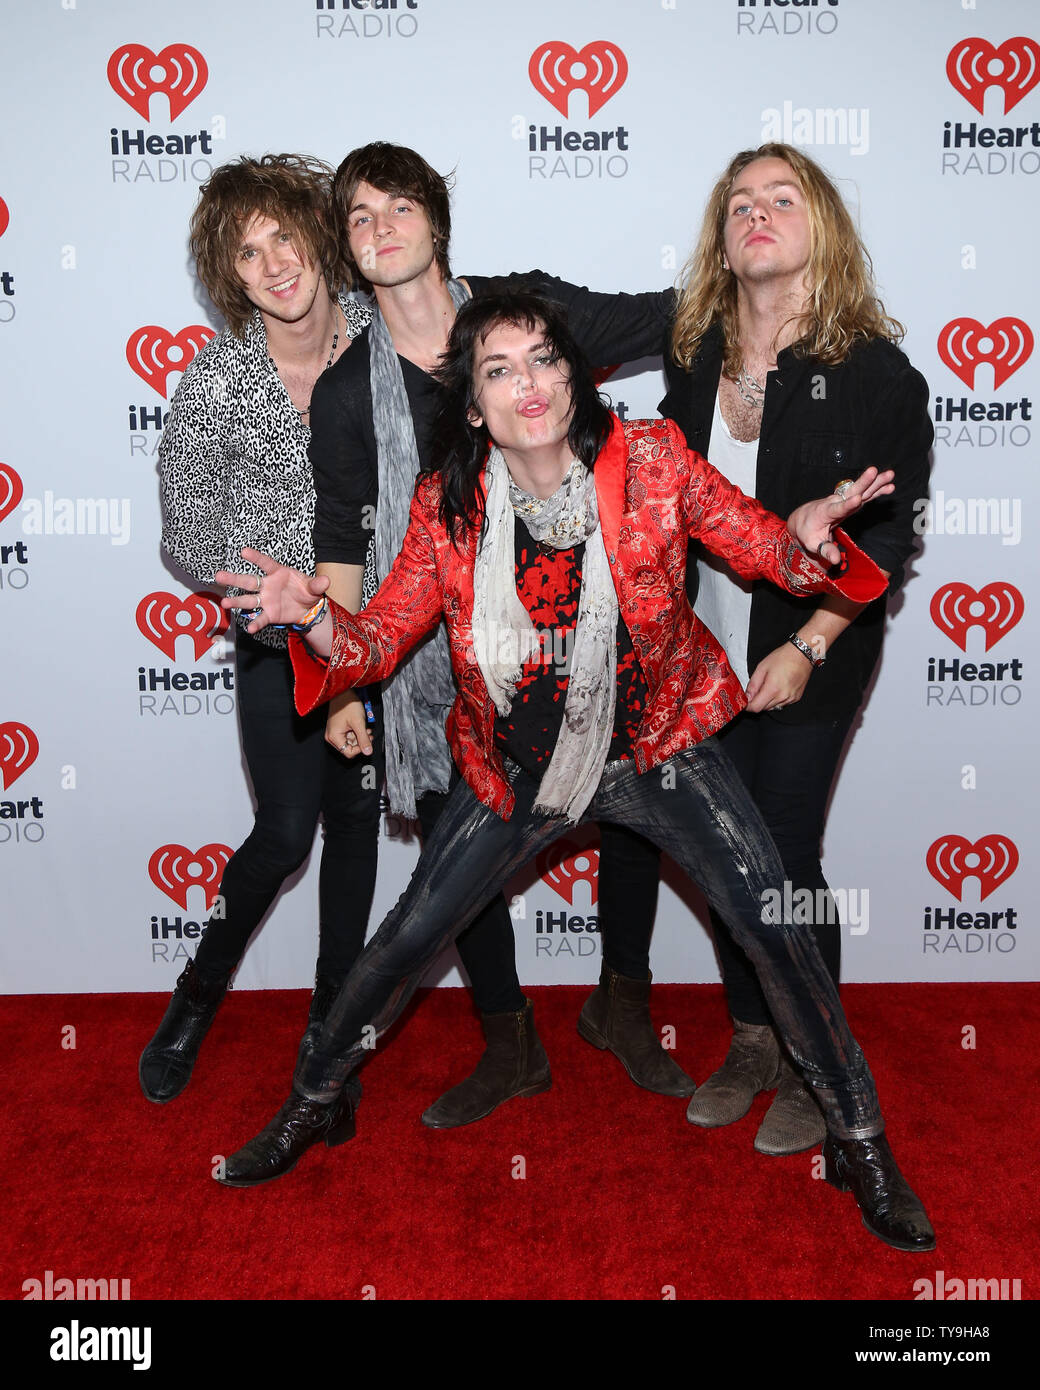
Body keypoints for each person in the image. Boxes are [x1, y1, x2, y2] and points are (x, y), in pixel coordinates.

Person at [212, 291, 935, 1254]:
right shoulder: (448, 505)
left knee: (776, 919)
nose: (529, 385)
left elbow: (767, 546)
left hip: (660, 746)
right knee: (406, 937)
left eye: (545, 360)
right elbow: (377, 639)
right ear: (473, 407)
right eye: (499, 371)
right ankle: (309, 1103)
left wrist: (809, 540)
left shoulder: (652, 461)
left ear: (574, 376)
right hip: (520, 768)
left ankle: (858, 1138)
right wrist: (312, 619)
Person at [308, 141, 691, 1127]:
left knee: (631, 808)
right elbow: (342, 535)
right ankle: (508, 1037)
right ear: (348, 250)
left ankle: (622, 1001)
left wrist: (769, 299)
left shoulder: (523, 310)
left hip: (583, 618)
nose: (382, 226)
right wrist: (345, 684)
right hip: (436, 652)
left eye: (399, 205)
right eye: (359, 215)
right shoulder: (350, 390)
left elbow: (660, 319)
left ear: (435, 220)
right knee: (449, 844)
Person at [659, 144, 932, 1155]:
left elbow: (888, 539)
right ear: (722, 245)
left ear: (820, 226)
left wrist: (810, 643)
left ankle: (814, 1057)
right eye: (738, 204)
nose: (756, 214)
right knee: (723, 858)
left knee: (778, 851)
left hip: (809, 649)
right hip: (702, 656)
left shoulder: (873, 373)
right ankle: (750, 1037)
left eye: (781, 198)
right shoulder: (692, 355)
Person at [140, 154, 378, 1105]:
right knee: (284, 832)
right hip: (277, 644)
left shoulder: (383, 341)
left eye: (285, 235)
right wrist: (266, 586)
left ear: (321, 238)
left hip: (377, 642)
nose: (274, 263)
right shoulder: (215, 380)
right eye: (247, 252)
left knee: (358, 826)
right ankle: (195, 999)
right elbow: (183, 527)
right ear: (227, 274)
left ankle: (332, 1034)